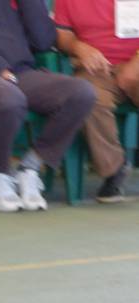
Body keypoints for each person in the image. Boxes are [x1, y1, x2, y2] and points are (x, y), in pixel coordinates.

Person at [0, 0, 96, 211]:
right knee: (10, 99)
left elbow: (43, 40)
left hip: (18, 73)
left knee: (81, 93)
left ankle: (30, 168)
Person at [55, 0, 139, 202]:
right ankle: (114, 170)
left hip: (136, 62)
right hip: (97, 70)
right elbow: (62, 34)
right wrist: (78, 47)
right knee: (88, 97)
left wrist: (136, 64)